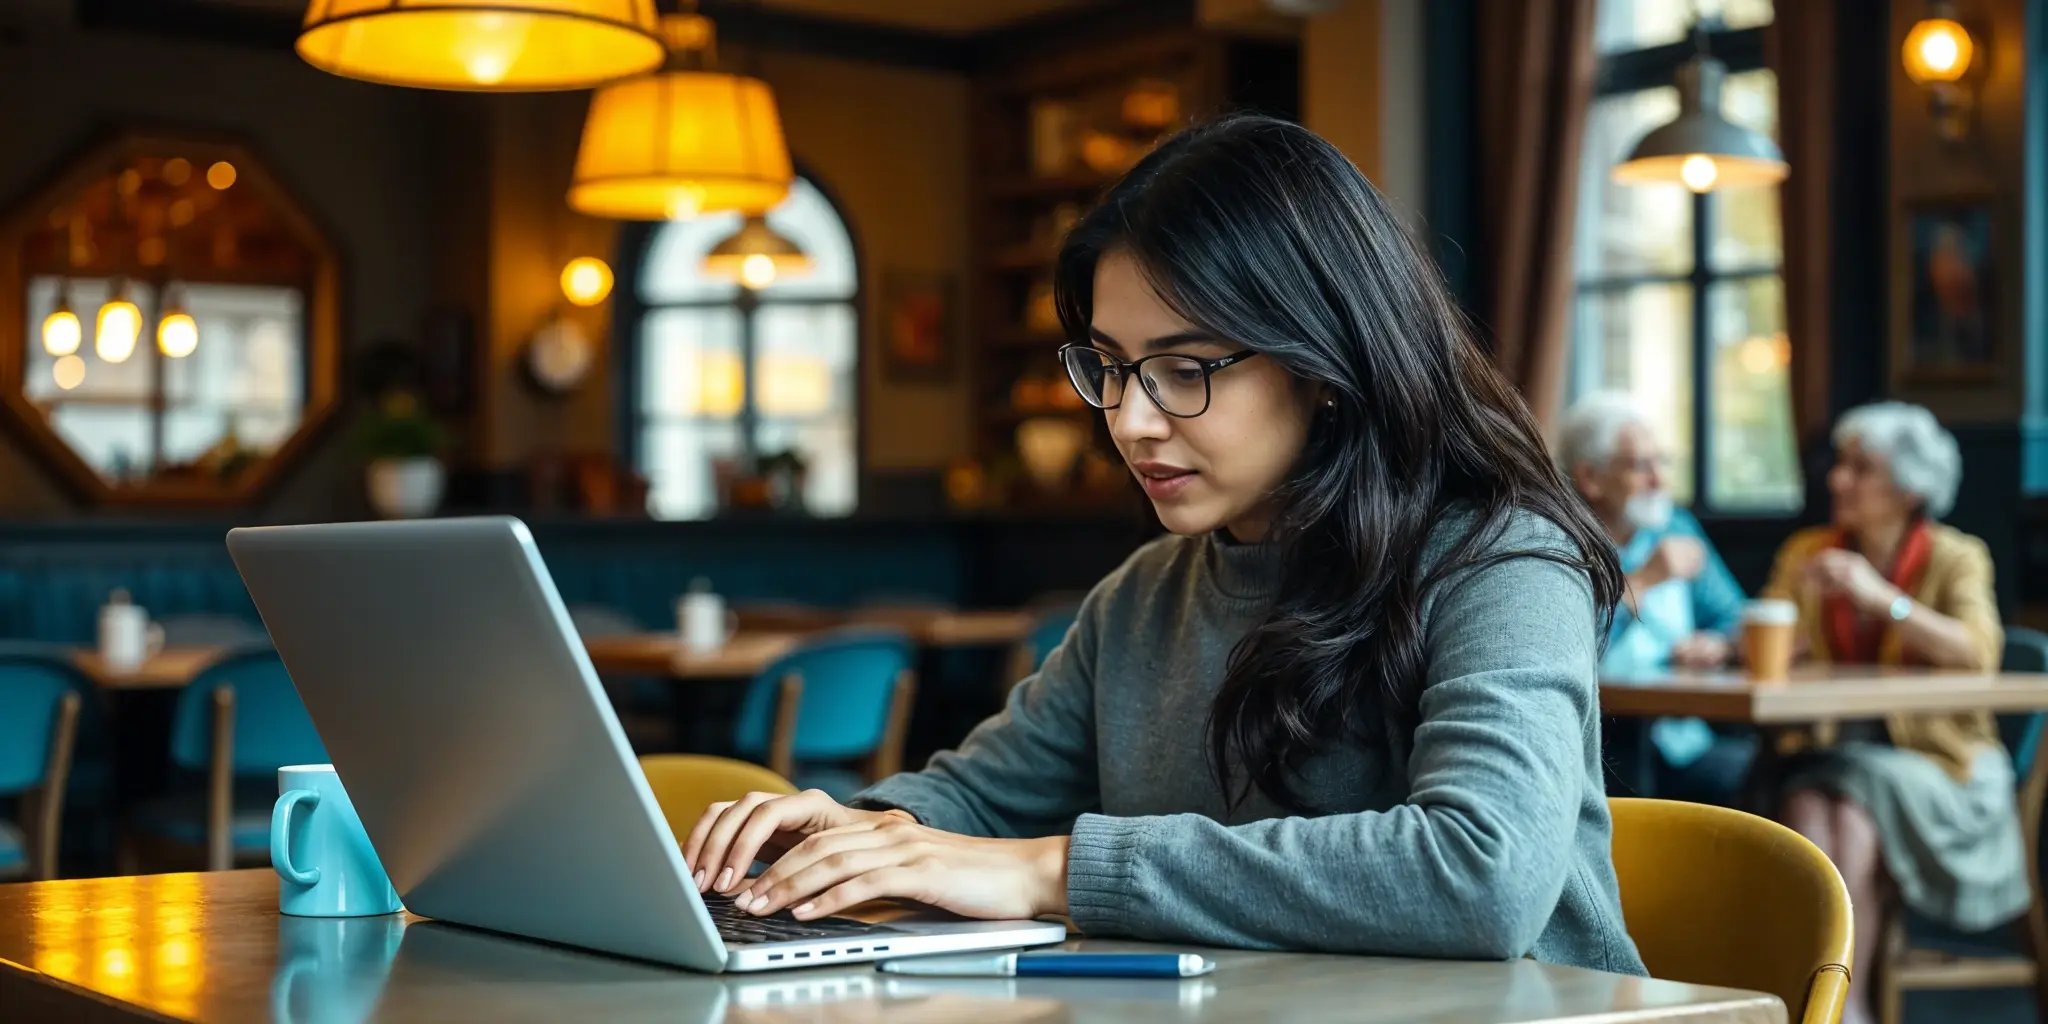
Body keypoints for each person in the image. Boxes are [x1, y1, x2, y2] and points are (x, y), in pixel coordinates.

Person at [683, 115, 1645, 974]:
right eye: (1108, 367)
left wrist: (1056, 870)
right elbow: (977, 802)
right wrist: (843, 831)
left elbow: (1480, 874)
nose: (1132, 421)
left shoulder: (1504, 562)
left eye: (1182, 368)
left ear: (1326, 363)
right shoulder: (1145, 596)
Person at [1765, 401, 2024, 1024]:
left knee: (1843, 802)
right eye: (1840, 465)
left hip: (1944, 770)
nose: (1838, 480)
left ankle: (1839, 1004)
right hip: (1832, 758)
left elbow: (1977, 653)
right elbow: (1773, 635)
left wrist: (1882, 600)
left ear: (1908, 489)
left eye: (1860, 468)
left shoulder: (1955, 557)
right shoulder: (1809, 552)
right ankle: (1834, 1002)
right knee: (1819, 802)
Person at [1556, 392, 1754, 803]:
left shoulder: (1673, 528)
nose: (1659, 482)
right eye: (1640, 466)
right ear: (1590, 478)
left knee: (1772, 781)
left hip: (1681, 742)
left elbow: (1736, 617)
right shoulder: (1558, 539)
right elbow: (1561, 644)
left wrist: (1717, 643)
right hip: (1592, 748)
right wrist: (1643, 581)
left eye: (1661, 462)